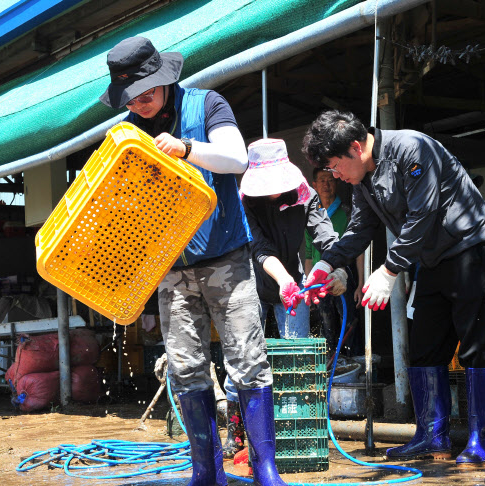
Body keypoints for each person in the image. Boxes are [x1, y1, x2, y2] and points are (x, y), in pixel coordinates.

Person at [99, 36, 287, 486]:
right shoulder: (127, 134)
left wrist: (186, 148)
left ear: (165, 81)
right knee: (185, 367)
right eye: (131, 98)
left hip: (226, 255)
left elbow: (237, 159)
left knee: (247, 360)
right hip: (172, 267)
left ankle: (265, 469)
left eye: (146, 93)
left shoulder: (206, 106)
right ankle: (206, 471)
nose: (140, 104)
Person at [301, 110, 485, 465]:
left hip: (469, 249)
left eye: (334, 166)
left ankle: (480, 442)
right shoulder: (362, 179)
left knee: (476, 347)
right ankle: (431, 437)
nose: (335, 175)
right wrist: (325, 262)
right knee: (424, 347)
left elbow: (423, 214)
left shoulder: (412, 149)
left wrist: (389, 270)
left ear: (356, 147)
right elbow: (360, 229)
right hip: (430, 260)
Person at [221, 138, 347, 458]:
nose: (272, 191)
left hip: (292, 280)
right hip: (249, 282)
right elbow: (260, 249)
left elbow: (326, 239)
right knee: (244, 358)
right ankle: (236, 433)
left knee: (297, 358)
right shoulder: (245, 203)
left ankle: (295, 431)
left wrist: (336, 271)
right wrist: (285, 280)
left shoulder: (306, 197)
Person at [305, 168, 364, 356]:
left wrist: (360, 283)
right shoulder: (310, 215)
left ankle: (354, 362)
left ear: (337, 182)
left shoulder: (347, 212)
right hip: (319, 278)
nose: (326, 184)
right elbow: (308, 254)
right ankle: (333, 365)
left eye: (330, 180)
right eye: (321, 180)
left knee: (349, 321)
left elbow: (359, 250)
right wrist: (309, 284)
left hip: (343, 275)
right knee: (326, 322)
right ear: (314, 186)